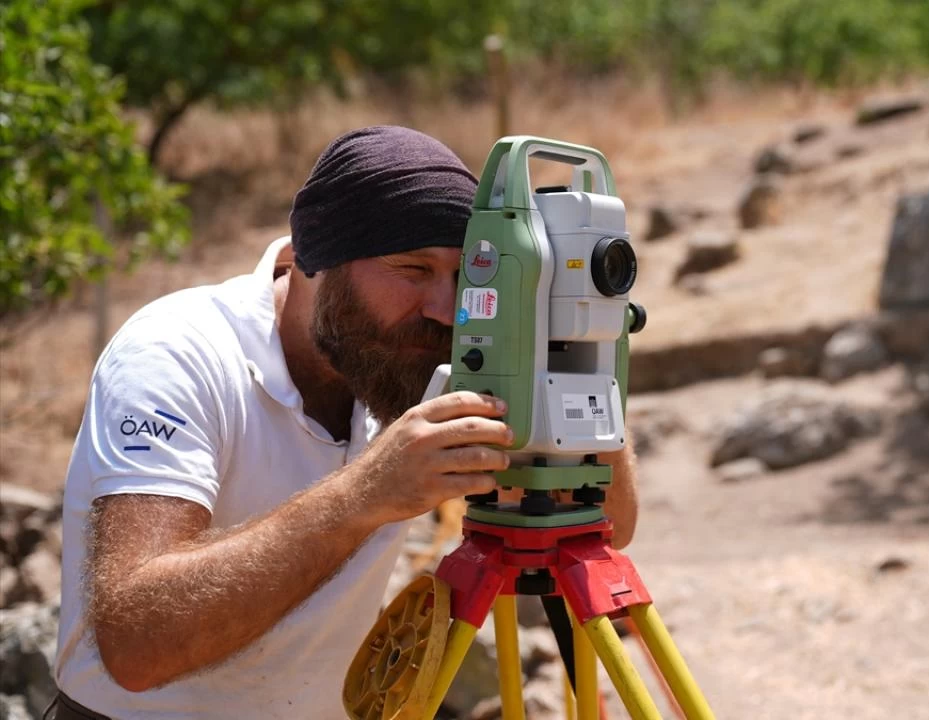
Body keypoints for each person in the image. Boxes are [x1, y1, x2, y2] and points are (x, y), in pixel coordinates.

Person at [50, 126, 639, 720]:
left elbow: (609, 520)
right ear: (315, 261)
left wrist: (567, 348)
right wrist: (366, 493)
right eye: (413, 269)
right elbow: (136, 646)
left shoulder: (415, 359)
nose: (444, 309)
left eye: (466, 277)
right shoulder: (174, 354)